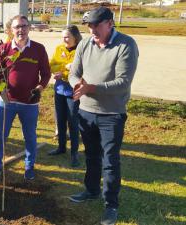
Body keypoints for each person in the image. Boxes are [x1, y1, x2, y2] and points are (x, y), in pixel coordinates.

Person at [68, 7, 139, 225]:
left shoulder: (126, 44)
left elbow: (122, 82)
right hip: (86, 111)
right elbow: (73, 73)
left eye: (96, 26)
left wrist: (91, 88)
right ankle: (91, 191)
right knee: (91, 156)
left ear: (110, 23)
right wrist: (77, 85)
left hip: (111, 114)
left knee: (110, 161)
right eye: (89, 26)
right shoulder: (84, 43)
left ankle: (111, 205)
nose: (92, 31)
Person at [0, 15, 51, 181]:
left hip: (29, 103)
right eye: (17, 27)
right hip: (7, 102)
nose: (20, 30)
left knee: (30, 136)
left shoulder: (38, 49)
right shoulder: (3, 50)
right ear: (11, 30)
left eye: (24, 26)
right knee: (1, 137)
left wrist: (39, 88)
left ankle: (29, 166)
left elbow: (45, 74)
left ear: (29, 28)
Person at [48, 25, 82, 168]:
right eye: (63, 37)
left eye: (67, 37)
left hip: (73, 91)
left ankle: (74, 153)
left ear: (75, 37)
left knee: (73, 122)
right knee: (60, 120)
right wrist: (63, 69)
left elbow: (80, 70)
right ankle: (61, 147)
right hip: (59, 89)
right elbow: (51, 65)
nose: (64, 40)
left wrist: (65, 74)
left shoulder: (81, 50)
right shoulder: (59, 48)